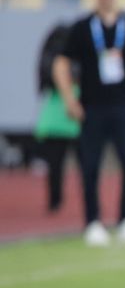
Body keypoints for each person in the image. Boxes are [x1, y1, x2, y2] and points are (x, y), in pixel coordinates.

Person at [53, 0, 125, 246]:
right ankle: (93, 222)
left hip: (122, 106)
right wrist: (69, 99)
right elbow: (60, 64)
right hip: (92, 108)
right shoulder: (83, 27)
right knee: (90, 167)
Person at [33, 23, 80, 214]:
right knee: (58, 164)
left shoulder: (53, 58)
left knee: (63, 165)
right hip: (65, 120)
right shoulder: (59, 61)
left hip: (69, 120)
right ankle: (56, 202)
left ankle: (57, 202)